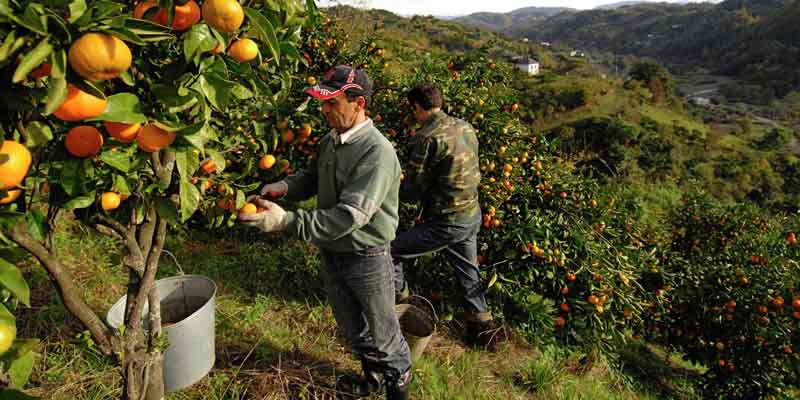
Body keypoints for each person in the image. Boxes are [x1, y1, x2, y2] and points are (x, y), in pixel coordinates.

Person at [240, 65, 412, 400]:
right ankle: (371, 377)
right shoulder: (331, 141)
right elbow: (312, 178)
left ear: (358, 103)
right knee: (352, 328)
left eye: (332, 103)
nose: (324, 109)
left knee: (383, 332)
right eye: (323, 102)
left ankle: (397, 385)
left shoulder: (376, 153)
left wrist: (286, 222)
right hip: (332, 250)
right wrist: (284, 187)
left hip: (367, 255)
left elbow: (350, 217)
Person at [392, 83, 504, 350]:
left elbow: (411, 191)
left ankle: (404, 306)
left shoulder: (426, 137)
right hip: (471, 214)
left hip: (447, 221)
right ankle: (485, 333)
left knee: (391, 251)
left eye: (413, 110)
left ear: (417, 107)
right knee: (468, 272)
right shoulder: (465, 126)